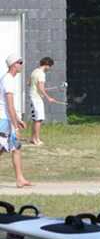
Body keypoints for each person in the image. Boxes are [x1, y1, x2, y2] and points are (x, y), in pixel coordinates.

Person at [0, 54, 32, 188]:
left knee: (16, 148)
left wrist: (18, 120)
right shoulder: (7, 80)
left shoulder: (9, 79)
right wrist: (16, 127)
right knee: (2, 149)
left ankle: (20, 179)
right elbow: (9, 105)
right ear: (14, 65)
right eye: (20, 62)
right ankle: (19, 178)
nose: (21, 65)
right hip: (4, 120)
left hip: (8, 119)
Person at [28, 57, 57, 145]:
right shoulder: (41, 74)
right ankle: (37, 140)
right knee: (39, 119)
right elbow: (40, 88)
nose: (50, 68)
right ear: (47, 65)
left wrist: (42, 89)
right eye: (50, 66)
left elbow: (29, 83)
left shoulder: (34, 71)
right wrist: (49, 98)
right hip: (36, 98)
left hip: (33, 96)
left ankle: (33, 138)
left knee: (35, 119)